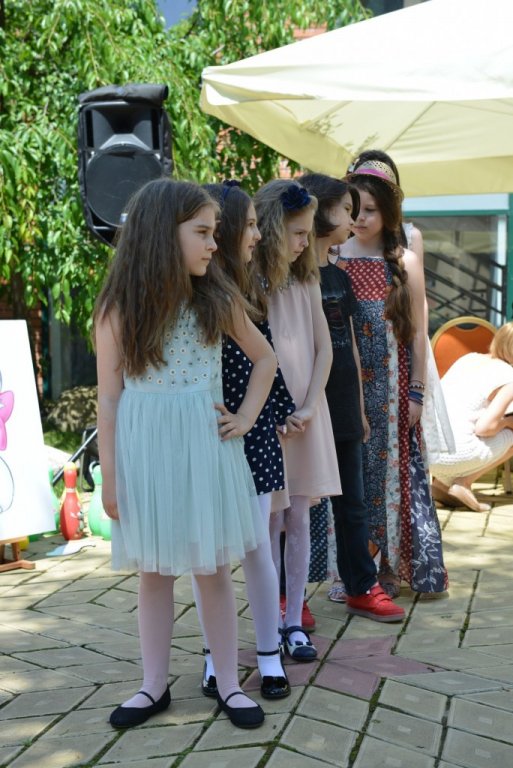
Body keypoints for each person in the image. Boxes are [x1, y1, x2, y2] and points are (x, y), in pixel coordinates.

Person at [94, 178, 278, 730]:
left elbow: (265, 358)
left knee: (212, 568)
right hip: (146, 450)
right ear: (161, 234)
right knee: (153, 571)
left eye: (215, 232)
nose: (214, 244)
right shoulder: (119, 308)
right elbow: (109, 397)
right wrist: (110, 478)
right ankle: (153, 685)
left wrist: (245, 417)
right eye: (202, 232)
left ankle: (228, 684)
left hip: (205, 449)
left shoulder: (215, 298)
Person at [192, 180, 294, 701]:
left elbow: (267, 362)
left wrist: (254, 417)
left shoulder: (250, 290)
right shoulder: (194, 291)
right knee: (208, 556)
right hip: (208, 437)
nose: (257, 234)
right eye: (250, 224)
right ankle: (216, 656)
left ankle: (270, 654)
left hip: (249, 438)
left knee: (256, 548)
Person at [337, 156, 448, 597]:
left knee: (391, 473)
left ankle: (389, 565)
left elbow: (418, 333)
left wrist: (417, 392)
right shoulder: (334, 255)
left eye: (370, 210)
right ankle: (352, 568)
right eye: (354, 209)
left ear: (388, 212)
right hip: (346, 383)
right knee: (349, 473)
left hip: (393, 384)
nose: (360, 219)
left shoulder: (405, 259)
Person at [299, 172, 405, 622]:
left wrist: (359, 406)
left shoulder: (339, 278)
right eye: (345, 209)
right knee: (300, 507)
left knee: (353, 503)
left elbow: (352, 347)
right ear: (318, 211)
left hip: (343, 403)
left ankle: (361, 585)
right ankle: (290, 596)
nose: (352, 218)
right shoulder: (288, 278)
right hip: (305, 406)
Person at [253, 179, 341, 660]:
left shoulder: (306, 280)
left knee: (299, 516)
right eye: (298, 233)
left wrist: (308, 406)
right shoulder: (250, 283)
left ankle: (293, 621)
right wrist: (268, 410)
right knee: (269, 520)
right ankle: (268, 618)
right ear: (272, 228)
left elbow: (323, 348)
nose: (306, 242)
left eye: (309, 233)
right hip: (266, 416)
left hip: (307, 414)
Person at [431, 322, 513, 512]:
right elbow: (484, 428)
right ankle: (464, 482)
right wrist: (508, 422)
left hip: (426, 453)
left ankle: (441, 485)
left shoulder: (468, 358)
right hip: (456, 456)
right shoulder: (509, 376)